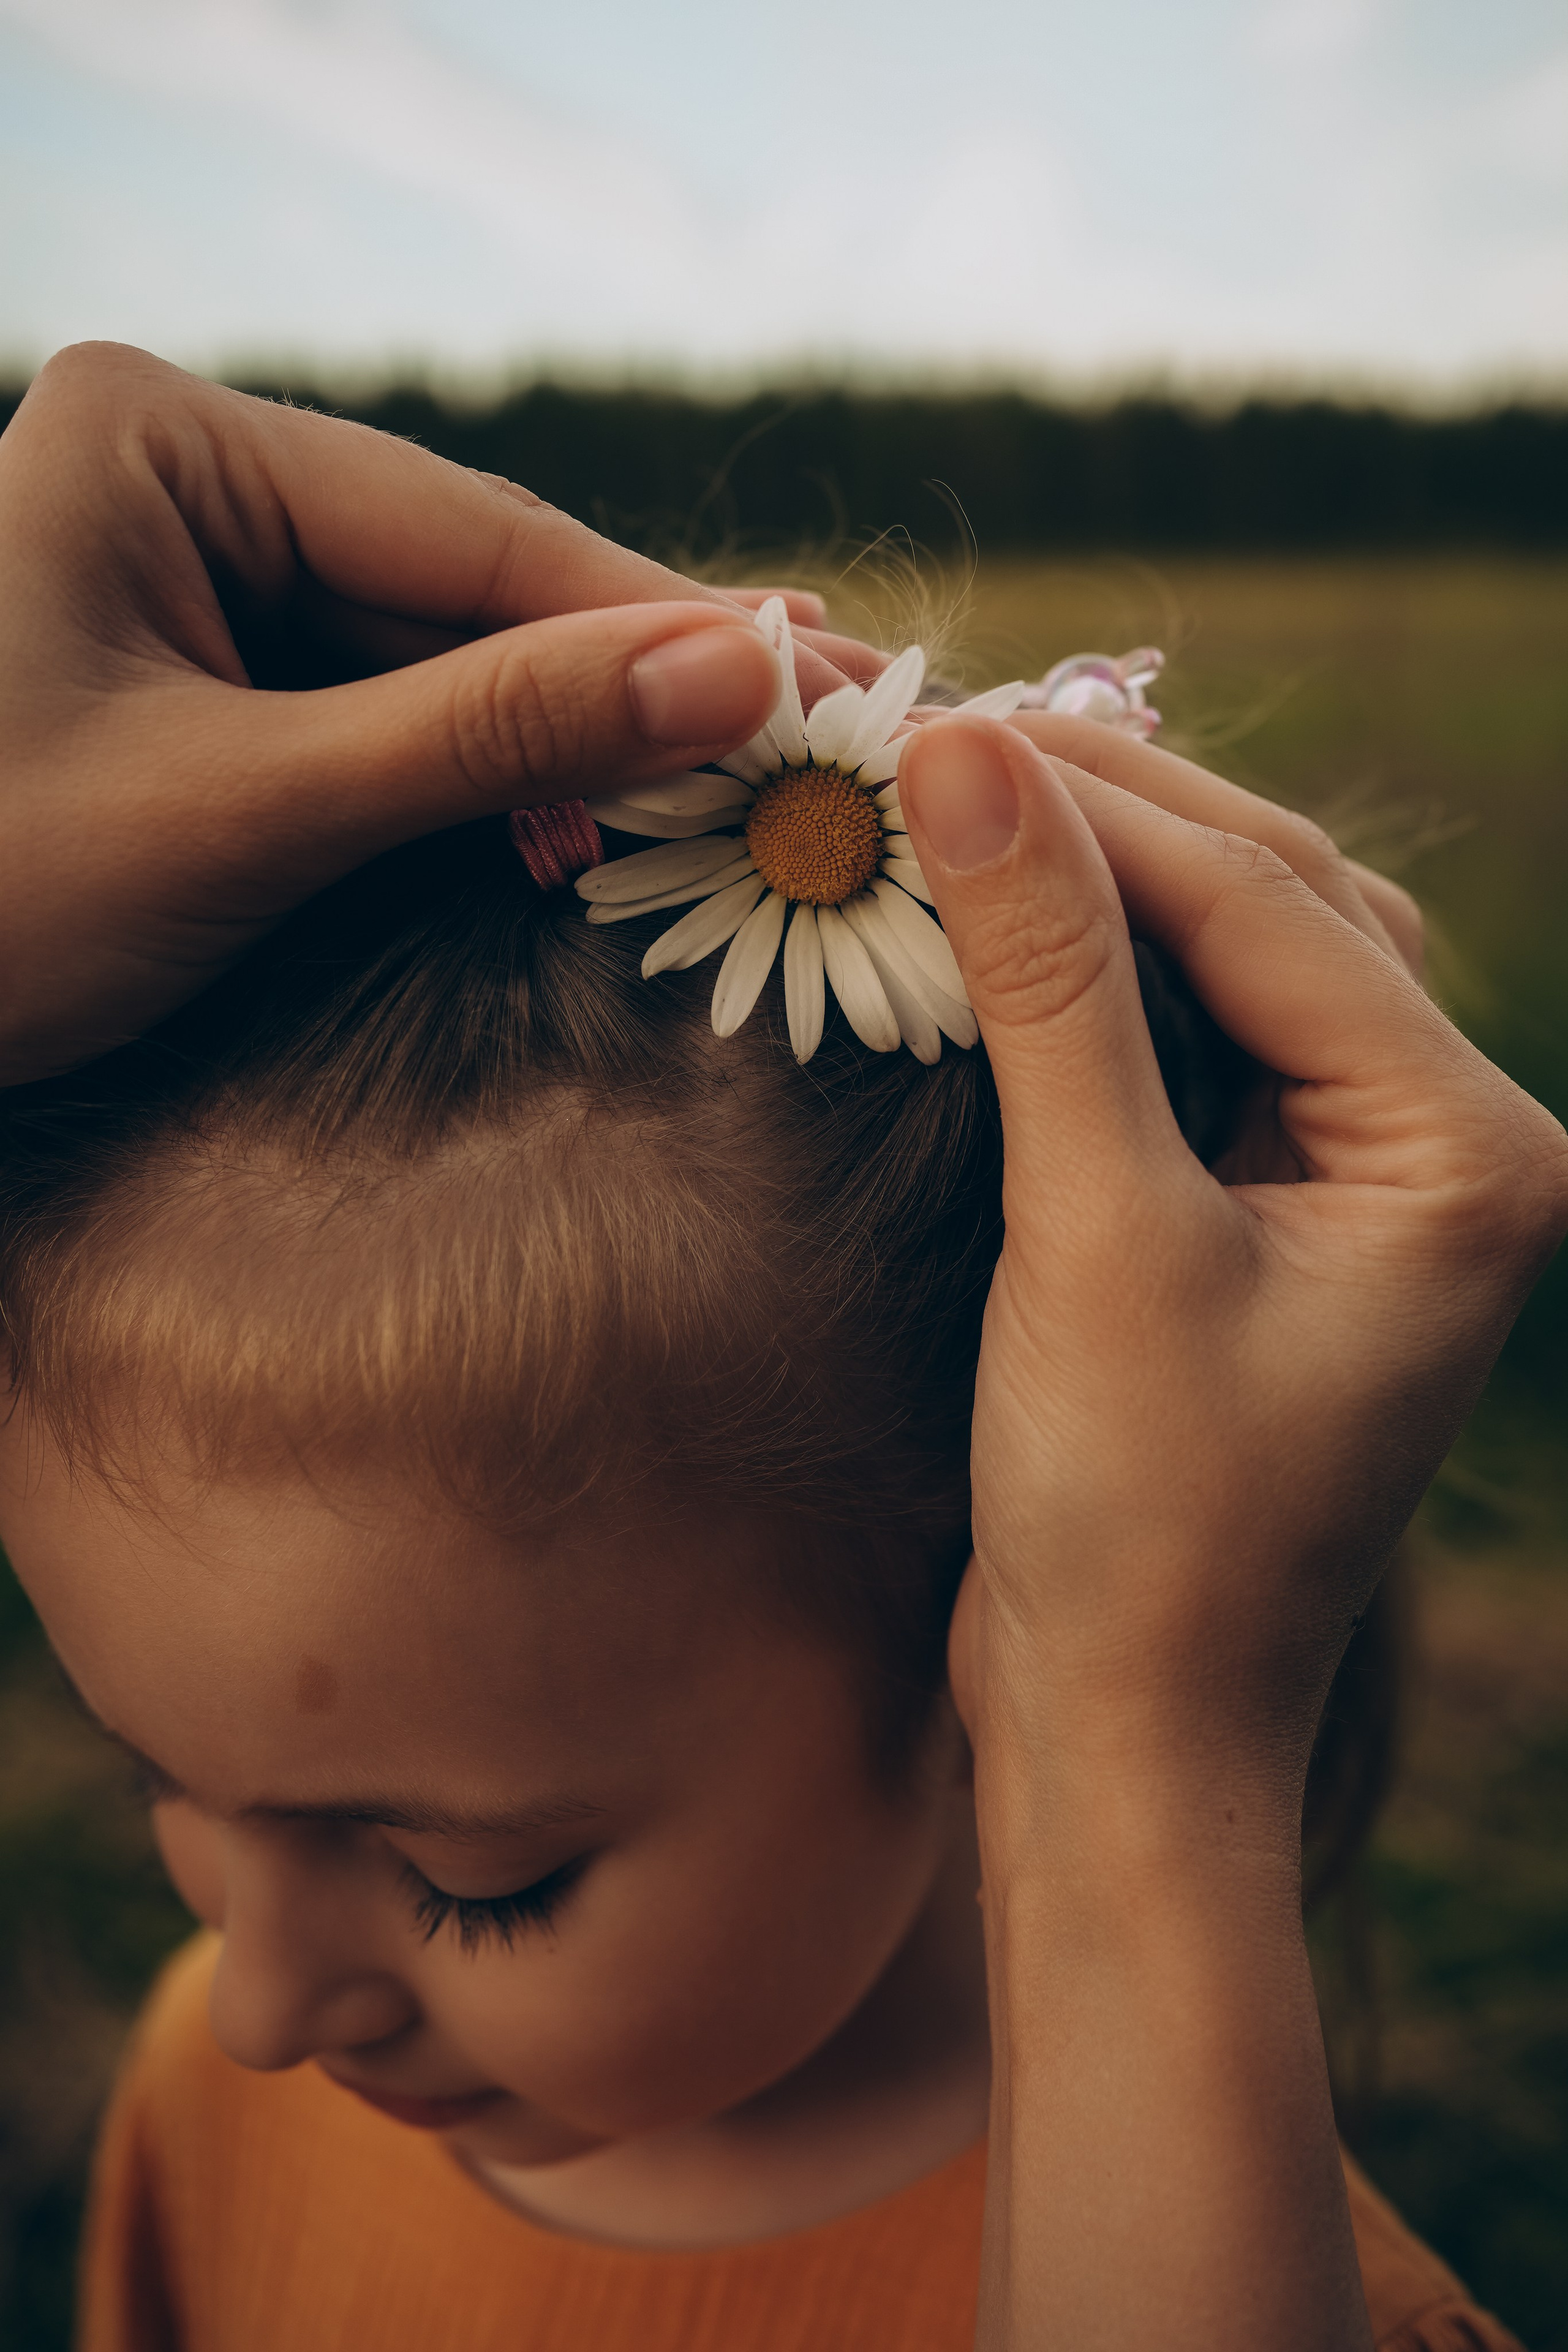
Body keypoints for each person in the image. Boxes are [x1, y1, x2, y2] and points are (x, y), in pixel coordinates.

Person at [1, 344, 1564, 2352]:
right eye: (168, 1782)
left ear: (1012, 1614)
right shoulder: (205, 2121)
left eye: (472, 1883)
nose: (259, 2003)